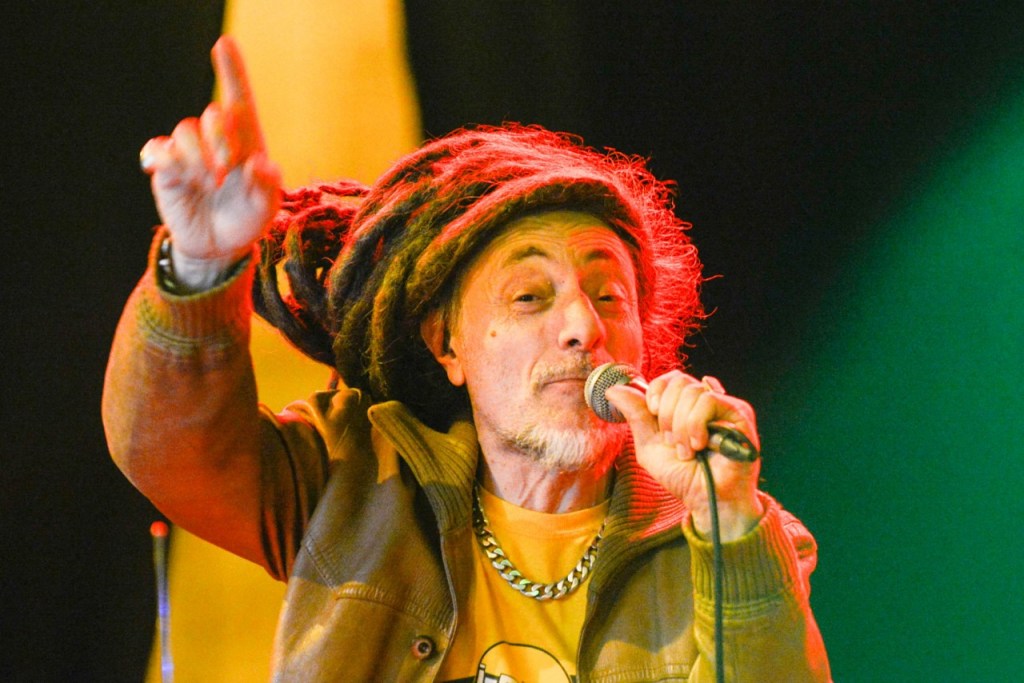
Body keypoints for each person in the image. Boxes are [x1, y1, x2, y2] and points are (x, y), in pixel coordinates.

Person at [103, 36, 831, 682]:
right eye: (529, 297)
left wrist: (730, 523)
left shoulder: (729, 536)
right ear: (445, 345)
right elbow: (167, 449)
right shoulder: (356, 486)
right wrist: (199, 263)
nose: (583, 326)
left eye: (609, 296)